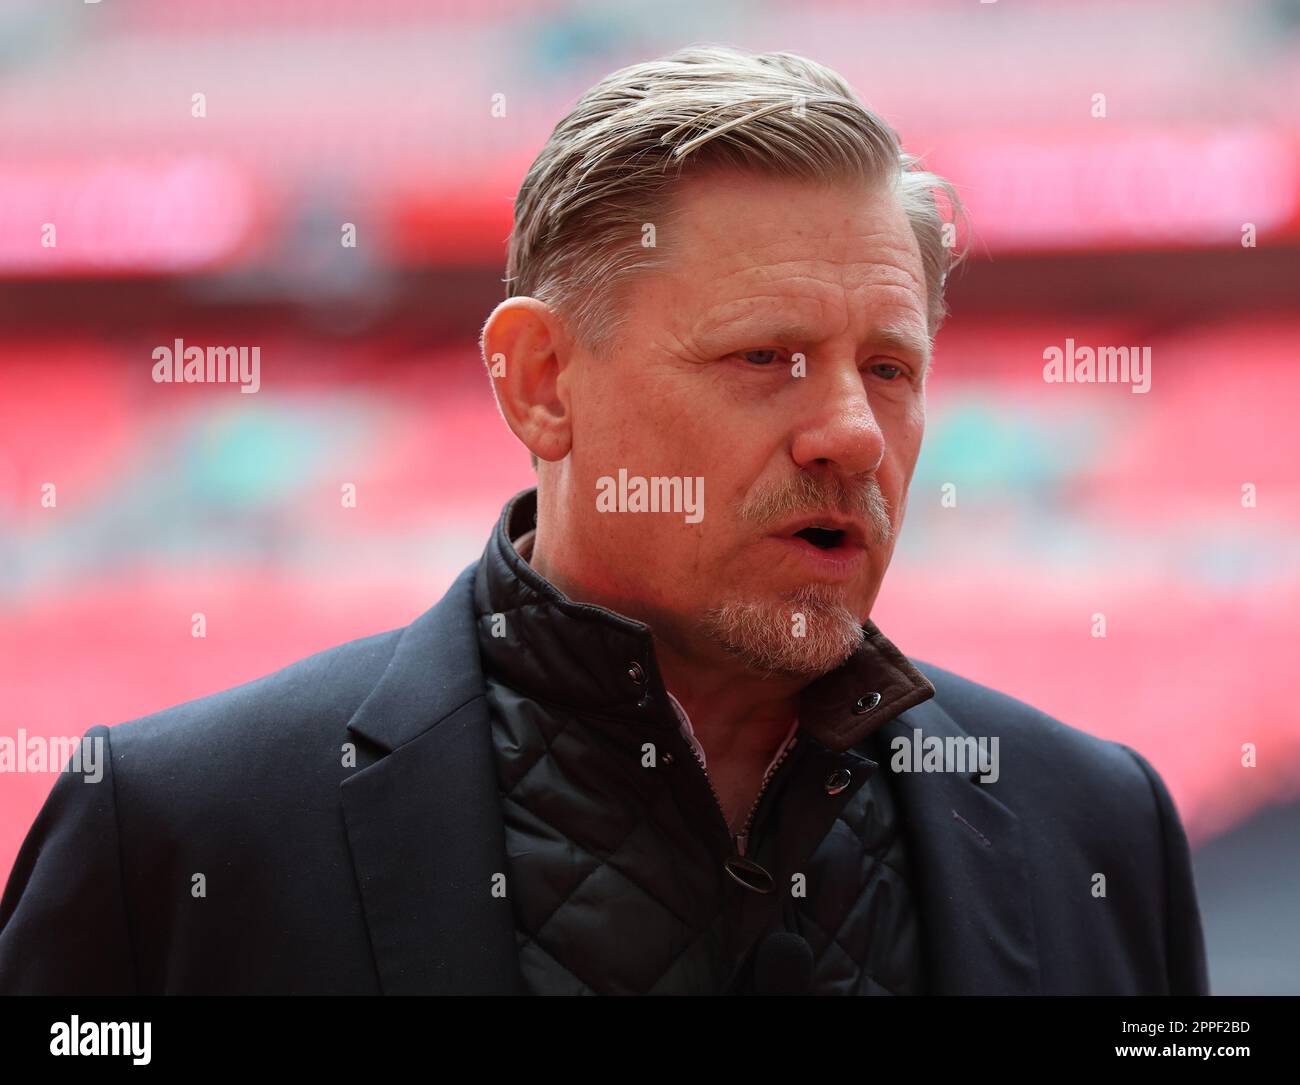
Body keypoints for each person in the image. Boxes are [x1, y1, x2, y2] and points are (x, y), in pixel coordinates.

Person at [0, 45, 1208, 995]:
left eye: (889, 369)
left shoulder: (1095, 825)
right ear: (541, 381)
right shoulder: (177, 829)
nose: (848, 431)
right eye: (764, 356)